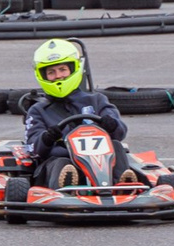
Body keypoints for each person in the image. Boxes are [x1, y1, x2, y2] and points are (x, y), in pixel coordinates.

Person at [20, 37, 130, 185]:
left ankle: (123, 185)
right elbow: (33, 147)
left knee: (116, 146)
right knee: (61, 162)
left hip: (101, 163)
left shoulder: (96, 100)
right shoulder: (38, 110)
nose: (58, 76)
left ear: (74, 69)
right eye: (51, 72)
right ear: (43, 76)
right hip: (60, 163)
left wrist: (112, 125)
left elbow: (120, 132)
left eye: (63, 70)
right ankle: (65, 187)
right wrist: (47, 138)